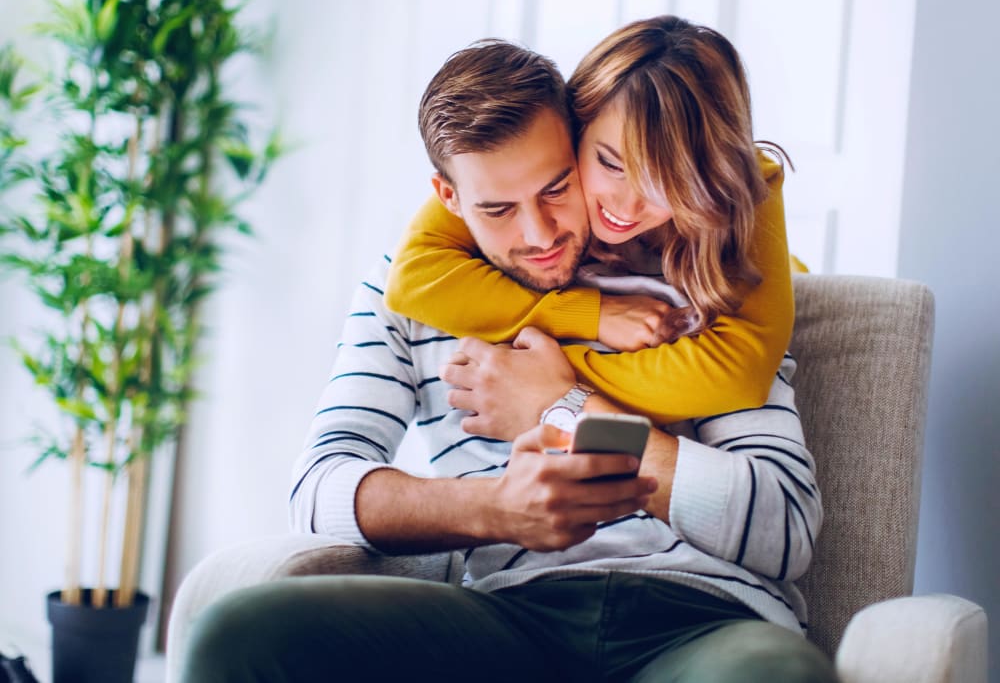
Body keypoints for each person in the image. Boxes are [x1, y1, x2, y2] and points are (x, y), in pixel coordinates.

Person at [178, 36, 835, 682]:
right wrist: (492, 508)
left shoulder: (702, 279)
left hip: (705, 617)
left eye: (556, 189)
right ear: (449, 197)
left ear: (577, 145)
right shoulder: (406, 293)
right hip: (511, 616)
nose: (541, 235)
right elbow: (318, 489)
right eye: (498, 209)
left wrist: (565, 408)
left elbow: (784, 530)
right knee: (239, 634)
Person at [384, 15, 796, 430]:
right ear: (578, 123)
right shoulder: (518, 162)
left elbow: (739, 373)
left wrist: (546, 383)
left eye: (668, 184)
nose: (628, 207)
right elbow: (412, 278)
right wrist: (589, 315)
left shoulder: (741, 182)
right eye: (610, 164)